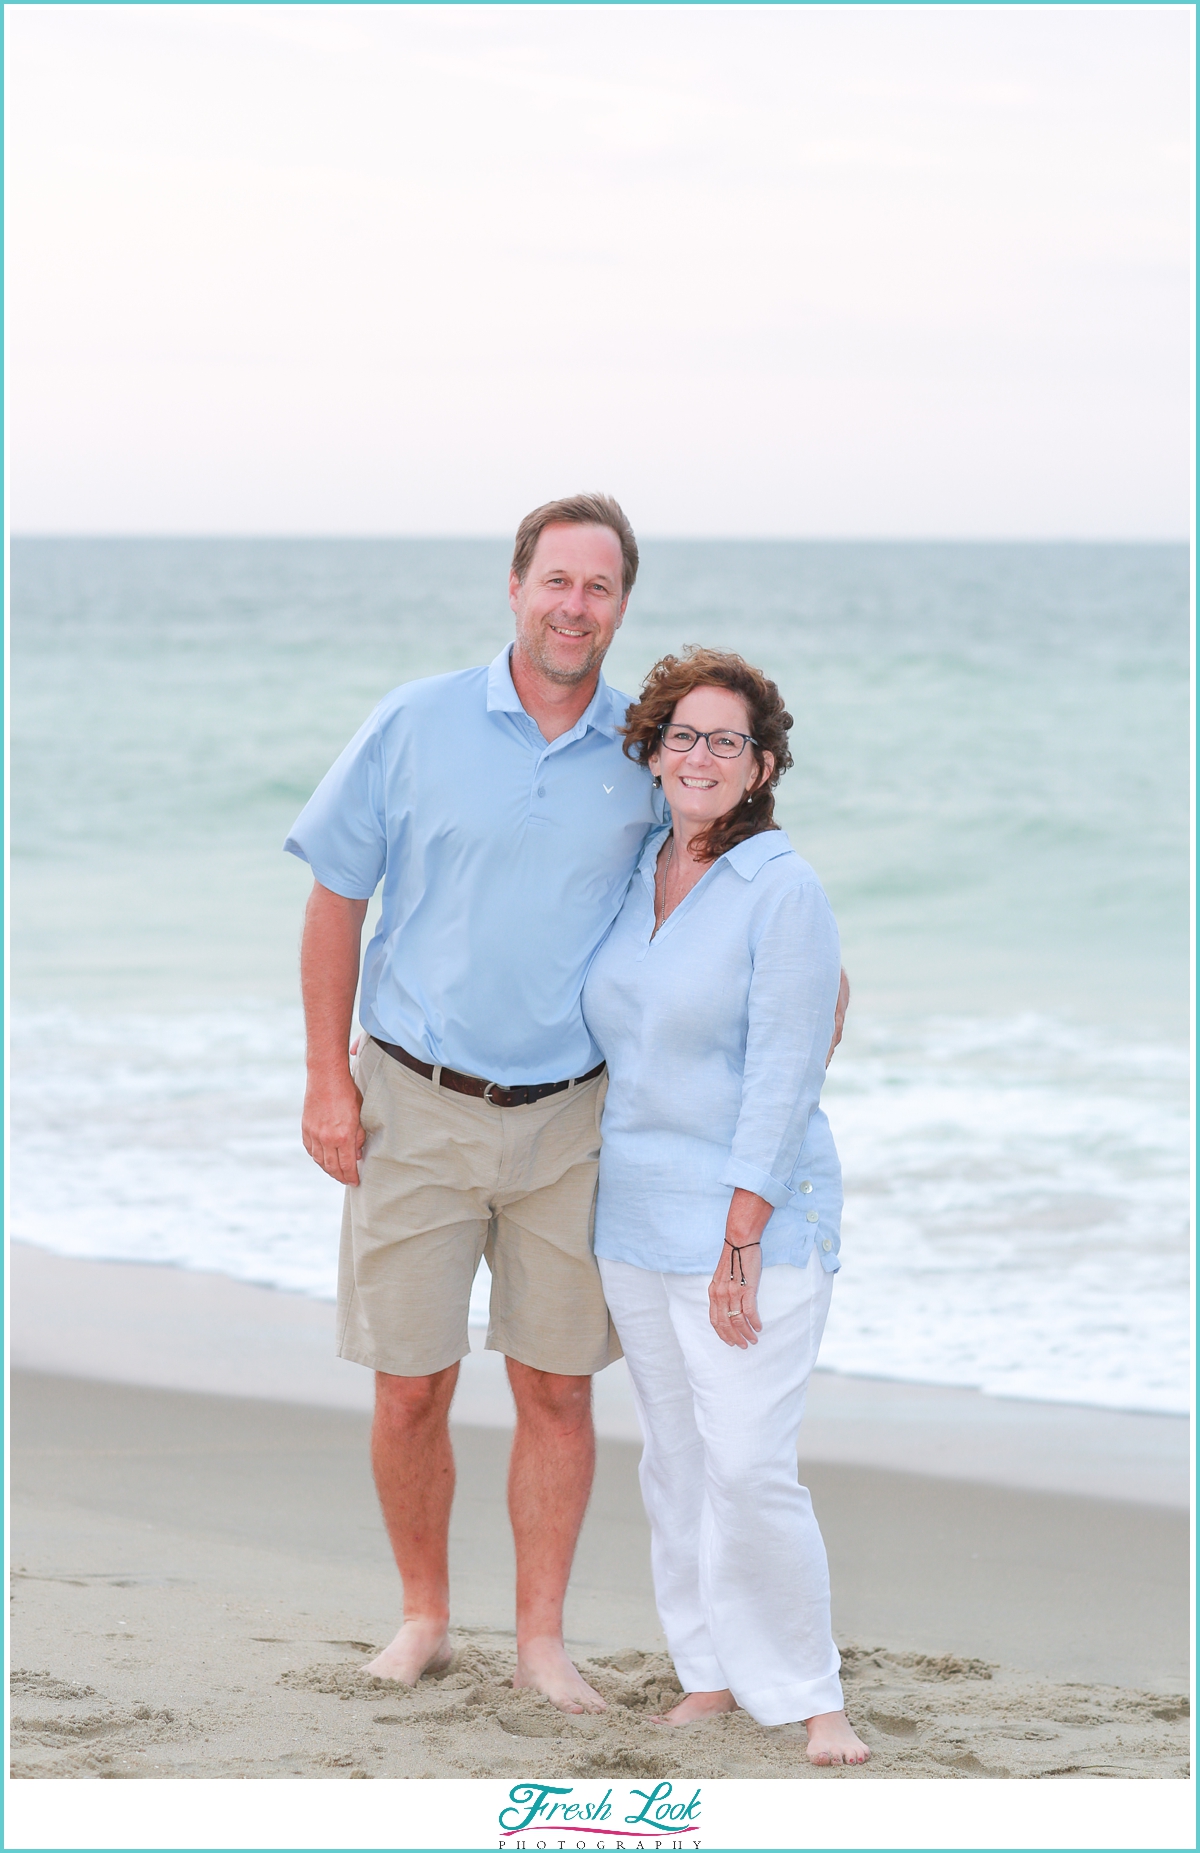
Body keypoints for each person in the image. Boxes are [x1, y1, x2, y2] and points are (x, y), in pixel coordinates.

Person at [285, 495, 849, 1717]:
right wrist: (328, 1074)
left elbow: (733, 890)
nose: (574, 604)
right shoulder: (414, 720)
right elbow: (336, 895)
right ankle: (425, 1615)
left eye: (600, 587)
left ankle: (543, 1638)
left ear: (621, 605)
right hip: (414, 1099)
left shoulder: (645, 752)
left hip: (570, 1124)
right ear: (515, 585)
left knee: (556, 1384)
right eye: (557, 580)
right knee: (409, 1381)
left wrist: (782, 1062)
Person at [581, 646, 870, 1766]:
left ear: (761, 766)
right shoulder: (634, 868)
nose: (701, 756)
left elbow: (787, 1073)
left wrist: (740, 1234)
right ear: (653, 751)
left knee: (750, 1463)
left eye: (727, 740)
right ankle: (706, 1669)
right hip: (633, 1215)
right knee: (676, 1460)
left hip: (755, 1224)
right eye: (683, 735)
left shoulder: (782, 889)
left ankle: (811, 1693)